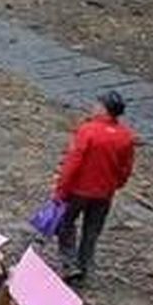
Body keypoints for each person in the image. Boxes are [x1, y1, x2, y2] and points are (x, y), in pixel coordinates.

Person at [54, 90, 137, 281]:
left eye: (97, 104)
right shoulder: (125, 136)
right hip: (104, 193)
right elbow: (126, 167)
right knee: (92, 231)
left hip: (78, 190)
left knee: (65, 223)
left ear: (103, 108)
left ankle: (69, 262)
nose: (93, 107)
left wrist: (61, 189)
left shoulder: (88, 131)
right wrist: (116, 184)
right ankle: (84, 265)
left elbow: (73, 162)